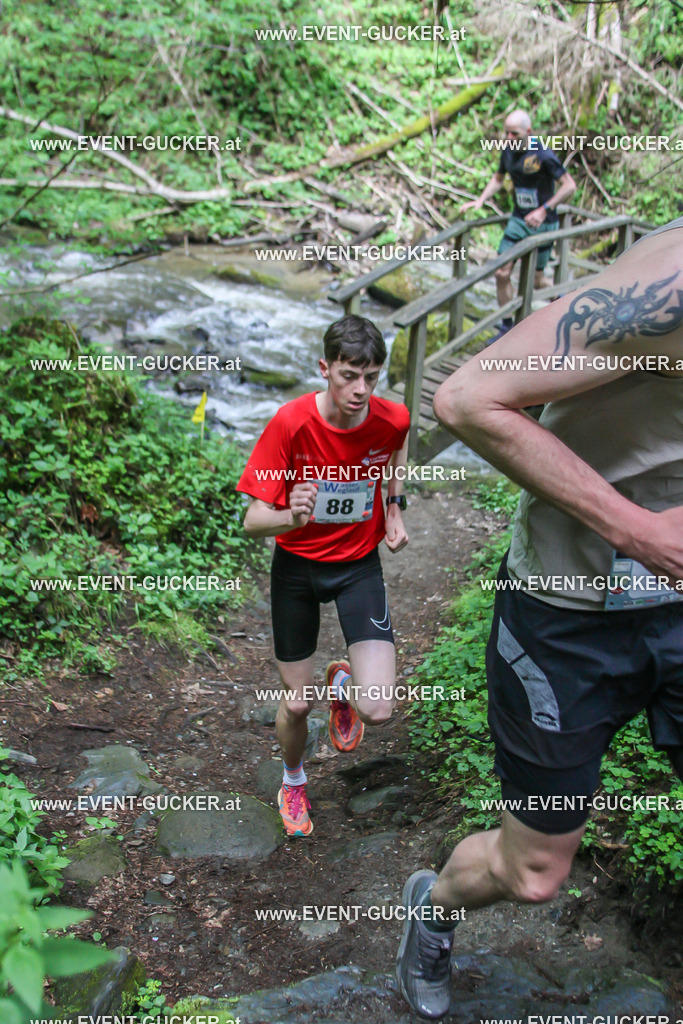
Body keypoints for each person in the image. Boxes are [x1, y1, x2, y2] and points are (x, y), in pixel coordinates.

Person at [395, 217, 683, 1018]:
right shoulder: (667, 294)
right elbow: (464, 397)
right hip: (569, 608)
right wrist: (638, 530)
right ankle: (435, 906)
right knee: (535, 873)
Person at [237, 315, 410, 837]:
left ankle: (346, 689)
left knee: (378, 708)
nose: (360, 390)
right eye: (349, 376)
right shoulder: (290, 424)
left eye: (371, 378)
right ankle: (293, 778)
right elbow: (251, 522)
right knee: (294, 702)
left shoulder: (393, 418)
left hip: (358, 567)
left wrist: (395, 504)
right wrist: (291, 515)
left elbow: (397, 448)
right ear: (325, 368)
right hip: (298, 572)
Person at [460, 109, 576, 343]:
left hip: (543, 224)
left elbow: (569, 186)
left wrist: (545, 209)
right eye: (506, 133)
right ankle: (507, 327)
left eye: (515, 134)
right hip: (518, 220)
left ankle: (564, 301)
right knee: (502, 271)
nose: (509, 138)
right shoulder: (508, 152)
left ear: (529, 132)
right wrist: (481, 199)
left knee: (536, 280)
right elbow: (498, 178)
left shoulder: (542, 154)